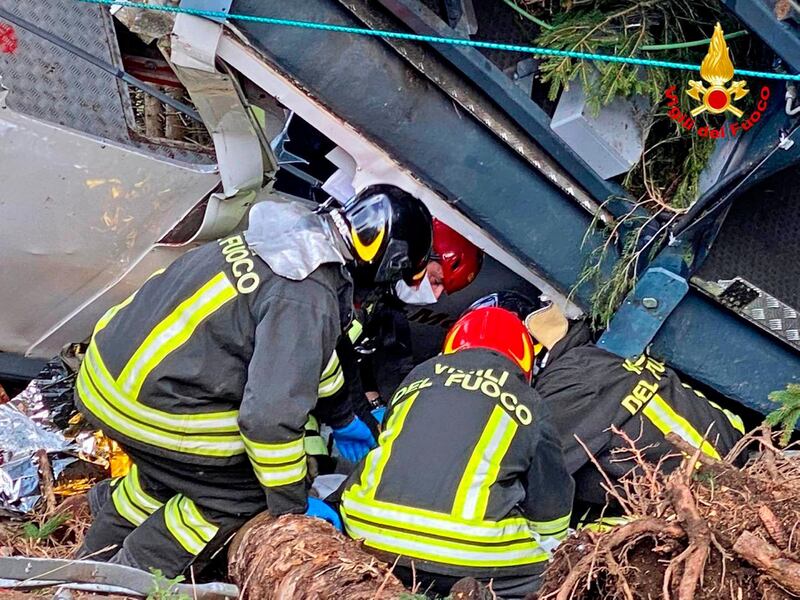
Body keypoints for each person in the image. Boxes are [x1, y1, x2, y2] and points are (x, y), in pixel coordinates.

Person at [74, 185, 433, 577]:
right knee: (238, 494)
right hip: (152, 406)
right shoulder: (307, 294)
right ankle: (123, 581)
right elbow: (267, 420)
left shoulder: (285, 243)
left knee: (168, 476)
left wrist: (343, 416)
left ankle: (83, 568)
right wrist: (290, 504)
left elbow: (310, 355)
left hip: (108, 380)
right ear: (388, 262)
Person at [338, 306, 574, 599]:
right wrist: (553, 547)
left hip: (367, 529)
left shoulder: (417, 376)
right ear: (524, 360)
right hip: (464, 551)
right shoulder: (529, 402)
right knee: (557, 571)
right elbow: (550, 504)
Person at [474, 291, 746, 512]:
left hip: (712, 493)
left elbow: (521, 484)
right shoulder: (590, 356)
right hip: (730, 455)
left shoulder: (570, 387)